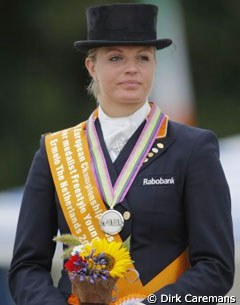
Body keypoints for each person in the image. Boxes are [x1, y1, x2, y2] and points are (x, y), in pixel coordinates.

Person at [9, 3, 234, 305]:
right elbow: (26, 267)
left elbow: (216, 266)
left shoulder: (194, 148)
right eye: (116, 57)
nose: (132, 68)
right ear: (92, 66)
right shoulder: (54, 151)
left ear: (155, 65)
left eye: (143, 57)